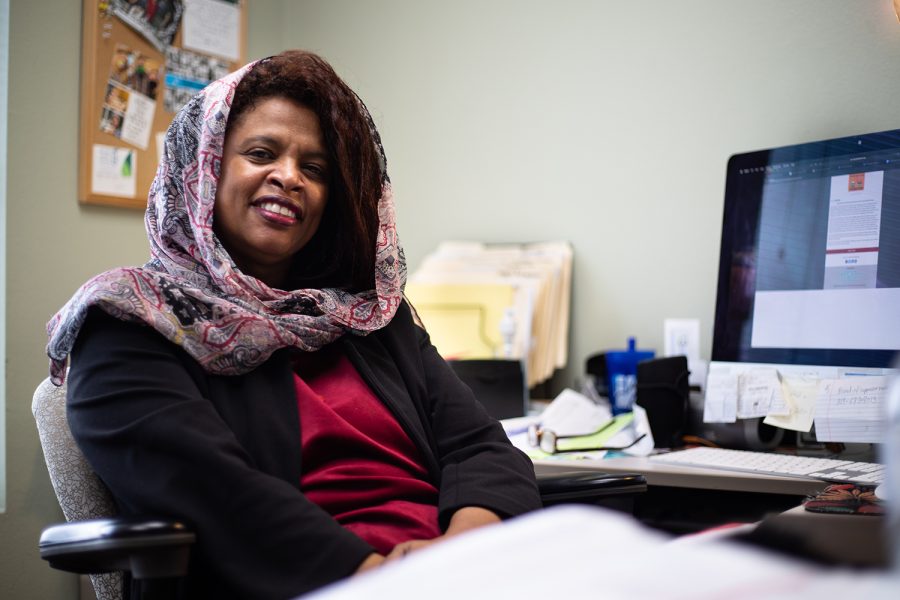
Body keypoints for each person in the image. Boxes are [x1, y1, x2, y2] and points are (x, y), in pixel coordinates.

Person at [46, 50, 541, 599]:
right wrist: (382, 577)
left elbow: (481, 448)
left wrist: (464, 549)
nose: (289, 177)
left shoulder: (369, 315)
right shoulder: (132, 318)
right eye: (261, 153)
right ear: (203, 170)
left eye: (315, 169)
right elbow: (215, 494)